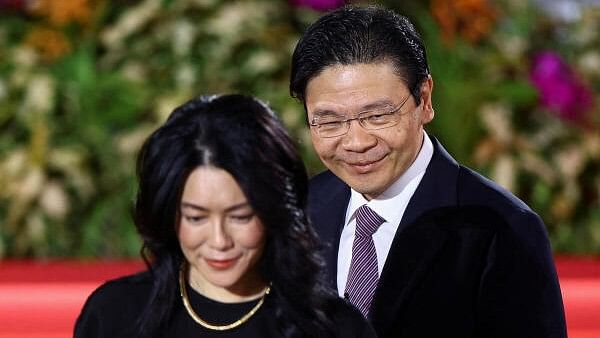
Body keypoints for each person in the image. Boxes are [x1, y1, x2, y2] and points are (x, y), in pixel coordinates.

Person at [289, 5, 566, 338]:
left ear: (424, 99)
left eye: (378, 116)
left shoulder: (501, 228)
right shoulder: (300, 210)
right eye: (330, 121)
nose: (357, 142)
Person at [74, 94, 376, 338]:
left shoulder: (333, 327)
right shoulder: (114, 315)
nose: (219, 241)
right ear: (169, 215)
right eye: (196, 218)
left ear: (275, 211)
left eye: (240, 217)